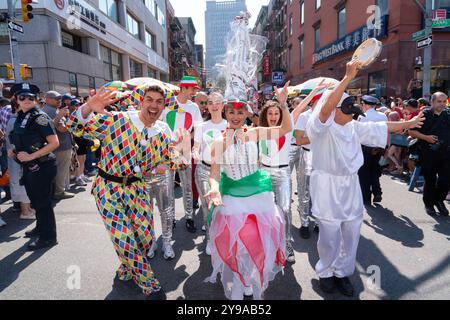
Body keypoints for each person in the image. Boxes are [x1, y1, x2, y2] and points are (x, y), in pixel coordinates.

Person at [306, 60, 424, 297]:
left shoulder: (354, 127)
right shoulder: (319, 127)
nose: (354, 112)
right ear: (336, 109)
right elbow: (326, 109)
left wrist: (408, 123)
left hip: (350, 183)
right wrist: (348, 77)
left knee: (351, 231)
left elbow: (382, 127)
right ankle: (326, 273)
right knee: (329, 233)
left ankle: (342, 273)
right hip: (327, 184)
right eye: (347, 107)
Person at [67, 83, 188, 298]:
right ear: (142, 101)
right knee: (124, 238)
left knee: (146, 239)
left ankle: (126, 267)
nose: (154, 105)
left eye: (159, 101)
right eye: (149, 99)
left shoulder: (162, 131)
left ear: (164, 106)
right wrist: (87, 108)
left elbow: (174, 159)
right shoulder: (119, 120)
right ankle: (150, 286)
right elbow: (76, 127)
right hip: (108, 189)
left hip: (138, 188)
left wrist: (180, 153)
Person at [204, 83, 291, 300]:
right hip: (233, 199)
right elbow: (214, 174)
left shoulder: (255, 133)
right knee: (238, 244)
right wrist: (214, 190)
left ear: (246, 112)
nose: (235, 116)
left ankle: (250, 277)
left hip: (259, 198)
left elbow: (285, 129)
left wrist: (283, 103)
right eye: (231, 112)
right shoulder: (219, 141)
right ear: (225, 112)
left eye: (240, 111)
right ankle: (239, 283)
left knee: (257, 242)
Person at [9, 83, 60, 250]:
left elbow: (54, 143)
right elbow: (26, 140)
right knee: (36, 201)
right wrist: (16, 150)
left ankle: (49, 237)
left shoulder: (40, 117)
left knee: (43, 202)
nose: (26, 100)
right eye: (22, 97)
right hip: (30, 166)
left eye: (30, 97)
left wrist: (31, 156)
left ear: (36, 99)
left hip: (42, 166)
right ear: (16, 99)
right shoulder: (23, 115)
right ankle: (41, 227)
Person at [160, 76, 203, 233]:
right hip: (168, 149)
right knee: (168, 187)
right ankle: (170, 219)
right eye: (192, 89)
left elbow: (198, 128)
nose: (193, 92)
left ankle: (189, 217)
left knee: (187, 186)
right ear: (183, 88)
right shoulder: (168, 104)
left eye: (194, 89)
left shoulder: (194, 107)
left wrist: (189, 141)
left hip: (184, 148)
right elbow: (158, 124)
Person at [258, 100, 295, 262]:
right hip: (264, 173)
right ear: (265, 115)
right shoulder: (261, 131)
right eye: (270, 113)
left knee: (285, 209)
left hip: (283, 174)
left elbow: (299, 108)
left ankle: (287, 243)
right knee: (266, 211)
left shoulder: (286, 128)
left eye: (276, 113)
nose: (273, 116)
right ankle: (269, 243)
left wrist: (283, 102)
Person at [192, 92, 228, 255]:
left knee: (224, 206)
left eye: (217, 102)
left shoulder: (229, 125)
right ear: (207, 105)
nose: (214, 105)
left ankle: (223, 236)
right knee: (207, 206)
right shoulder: (201, 127)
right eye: (210, 102)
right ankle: (210, 238)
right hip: (204, 170)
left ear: (222, 105)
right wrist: (194, 152)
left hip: (225, 171)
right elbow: (196, 146)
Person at [409, 92, 450, 217]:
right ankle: (429, 204)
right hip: (429, 153)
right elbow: (411, 131)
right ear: (432, 102)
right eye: (439, 101)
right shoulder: (424, 115)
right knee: (430, 180)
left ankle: (439, 200)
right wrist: (426, 137)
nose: (442, 104)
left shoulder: (448, 115)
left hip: (446, 153)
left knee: (446, 180)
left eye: (444, 102)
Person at [145, 120, 177, 261]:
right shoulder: (135, 125)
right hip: (142, 176)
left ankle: (166, 242)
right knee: (145, 211)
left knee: (166, 209)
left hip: (162, 175)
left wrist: (165, 163)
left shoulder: (163, 126)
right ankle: (150, 242)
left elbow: (172, 148)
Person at [42, 91, 75, 199]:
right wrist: (73, 122)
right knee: (61, 170)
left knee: (58, 170)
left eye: (59, 98)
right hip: (61, 146)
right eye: (56, 98)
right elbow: (61, 128)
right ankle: (59, 192)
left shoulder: (48, 110)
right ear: (47, 99)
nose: (59, 100)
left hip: (56, 145)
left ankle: (56, 191)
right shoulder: (53, 111)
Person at [6, 99, 35, 220]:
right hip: (18, 159)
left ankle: (27, 208)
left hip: (19, 158)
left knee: (23, 182)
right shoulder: (15, 120)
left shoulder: (17, 119)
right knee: (21, 183)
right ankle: (25, 211)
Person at [357, 95, 388, 205]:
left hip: (365, 148)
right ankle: (377, 192)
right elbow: (388, 132)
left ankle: (366, 197)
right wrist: (387, 147)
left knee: (364, 173)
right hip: (379, 148)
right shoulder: (383, 116)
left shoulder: (362, 116)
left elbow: (358, 133)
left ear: (364, 105)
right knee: (375, 171)